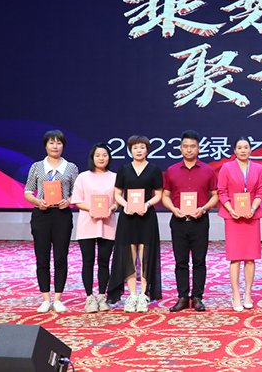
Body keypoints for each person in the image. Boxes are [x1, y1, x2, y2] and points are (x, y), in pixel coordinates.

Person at [162, 130, 219, 312]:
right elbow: (165, 195)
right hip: (178, 220)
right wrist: (173, 209)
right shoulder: (171, 170)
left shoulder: (208, 170)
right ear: (180, 148)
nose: (189, 149)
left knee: (199, 261)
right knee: (180, 261)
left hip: (199, 221)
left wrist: (204, 208)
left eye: (192, 146)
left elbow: (215, 195)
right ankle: (182, 297)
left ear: (198, 148)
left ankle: (197, 297)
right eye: (185, 146)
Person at [24, 130, 79, 313]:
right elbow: (28, 192)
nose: (55, 146)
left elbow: (76, 193)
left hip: (62, 215)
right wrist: (38, 202)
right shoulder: (37, 167)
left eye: (58, 143)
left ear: (63, 145)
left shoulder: (71, 167)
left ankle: (58, 299)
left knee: (61, 257)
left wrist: (68, 201)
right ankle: (46, 298)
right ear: (45, 145)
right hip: (42, 215)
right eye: (51, 143)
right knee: (42, 257)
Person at [108, 135, 163, 313]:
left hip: (147, 216)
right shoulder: (124, 169)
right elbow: (117, 194)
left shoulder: (154, 169)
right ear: (130, 150)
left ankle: (143, 294)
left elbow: (158, 194)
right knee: (129, 255)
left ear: (147, 149)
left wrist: (147, 204)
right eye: (135, 147)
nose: (139, 150)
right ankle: (132, 294)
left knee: (145, 254)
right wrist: (126, 205)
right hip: (128, 217)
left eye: (142, 147)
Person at [217, 136, 262, 311]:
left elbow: (260, 192)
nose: (243, 150)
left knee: (250, 258)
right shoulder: (226, 167)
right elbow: (221, 192)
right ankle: (236, 295)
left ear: (251, 150)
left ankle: (248, 294)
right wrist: (231, 210)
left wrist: (252, 208)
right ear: (235, 151)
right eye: (240, 147)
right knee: (235, 258)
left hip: (251, 216)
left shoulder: (258, 168)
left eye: (246, 147)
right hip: (233, 217)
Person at [71, 143, 118, 313]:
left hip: (108, 223)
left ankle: (102, 296)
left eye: (104, 155)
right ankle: (89, 297)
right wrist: (91, 209)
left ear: (109, 158)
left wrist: (112, 208)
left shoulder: (115, 177)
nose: (101, 158)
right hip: (87, 224)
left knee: (104, 262)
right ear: (92, 157)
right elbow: (76, 200)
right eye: (98, 155)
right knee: (88, 261)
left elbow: (118, 200)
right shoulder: (83, 177)